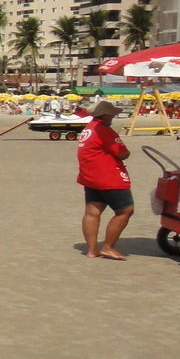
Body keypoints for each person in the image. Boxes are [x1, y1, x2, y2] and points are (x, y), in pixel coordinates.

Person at [77, 101, 132, 260]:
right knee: (125, 210)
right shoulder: (104, 130)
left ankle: (91, 250)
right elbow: (123, 153)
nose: (114, 116)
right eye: (112, 113)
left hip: (90, 176)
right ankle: (108, 247)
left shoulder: (88, 129)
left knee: (92, 212)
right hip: (108, 177)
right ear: (106, 114)